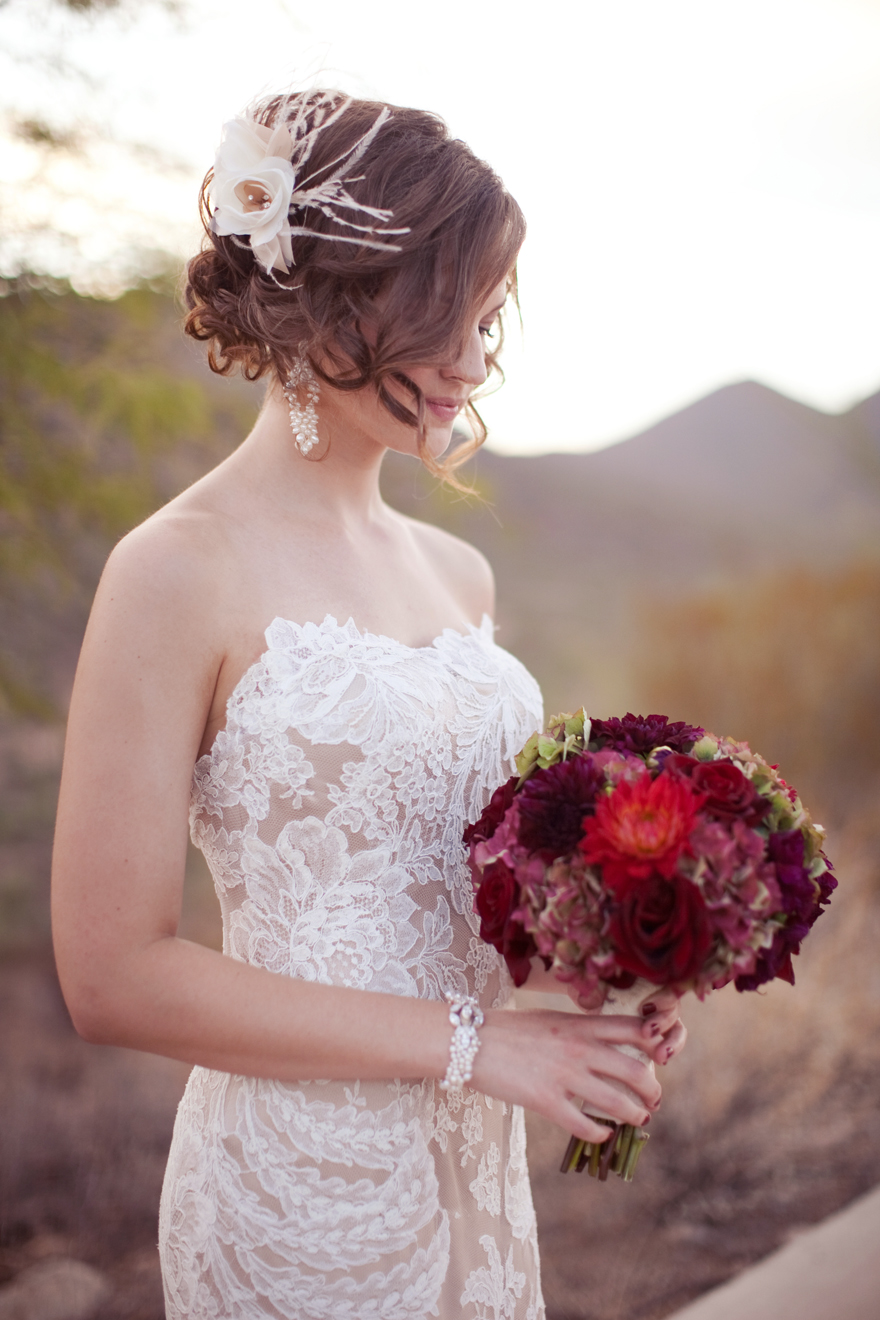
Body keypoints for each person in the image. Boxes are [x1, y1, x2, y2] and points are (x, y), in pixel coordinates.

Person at [51, 90, 686, 1320]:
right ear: (327, 301)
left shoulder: (461, 574)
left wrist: (591, 986)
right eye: (442, 319)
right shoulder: (174, 569)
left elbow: (443, 893)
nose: (470, 363)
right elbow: (112, 973)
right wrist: (475, 1043)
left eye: (486, 321)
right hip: (300, 1193)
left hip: (478, 1179)